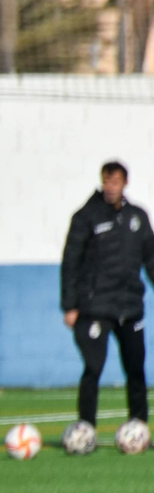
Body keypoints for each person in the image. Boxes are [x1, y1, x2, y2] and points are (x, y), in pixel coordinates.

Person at [61, 161, 153, 429]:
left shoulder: (138, 217)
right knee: (93, 367)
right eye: (106, 182)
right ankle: (85, 426)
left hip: (130, 306)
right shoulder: (86, 217)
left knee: (136, 369)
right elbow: (71, 262)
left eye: (115, 182)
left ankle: (138, 425)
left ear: (125, 183)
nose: (110, 187)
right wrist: (70, 305)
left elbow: (151, 259)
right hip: (95, 307)